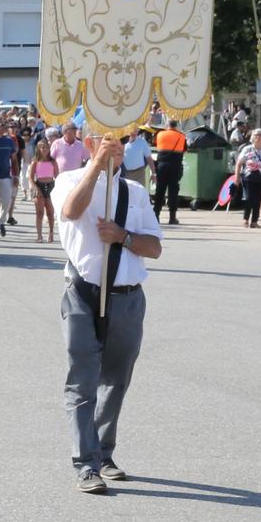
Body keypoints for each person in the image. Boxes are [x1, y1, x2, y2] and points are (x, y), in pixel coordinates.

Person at [56, 137, 164, 494]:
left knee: (116, 381)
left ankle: (104, 453)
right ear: (90, 143)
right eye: (107, 141)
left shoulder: (135, 191)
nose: (116, 147)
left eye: (121, 142)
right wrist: (96, 166)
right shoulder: (70, 180)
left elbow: (155, 247)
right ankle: (85, 464)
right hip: (84, 295)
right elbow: (71, 211)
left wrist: (123, 237)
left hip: (128, 299)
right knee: (83, 380)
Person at [234, 129, 261, 230]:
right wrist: (237, 177)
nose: (258, 137)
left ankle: (254, 221)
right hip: (249, 176)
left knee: (258, 200)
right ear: (253, 137)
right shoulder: (247, 149)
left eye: (260, 135)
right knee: (249, 198)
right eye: (256, 135)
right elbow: (239, 164)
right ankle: (246, 219)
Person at [149, 120, 186, 224]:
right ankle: (172, 217)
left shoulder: (160, 134)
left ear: (167, 125)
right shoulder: (181, 136)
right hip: (175, 166)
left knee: (160, 191)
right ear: (176, 126)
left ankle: (156, 215)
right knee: (173, 192)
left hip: (161, 166)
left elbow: (154, 144)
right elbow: (185, 150)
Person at [27, 138, 59, 242]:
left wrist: (57, 188)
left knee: (50, 212)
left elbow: (57, 176)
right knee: (39, 213)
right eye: (41, 147)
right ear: (38, 149)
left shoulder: (53, 162)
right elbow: (31, 177)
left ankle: (51, 233)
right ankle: (39, 235)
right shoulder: (35, 162)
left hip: (50, 186)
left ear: (49, 149)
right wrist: (35, 188)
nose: (43, 149)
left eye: (45, 147)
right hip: (39, 186)